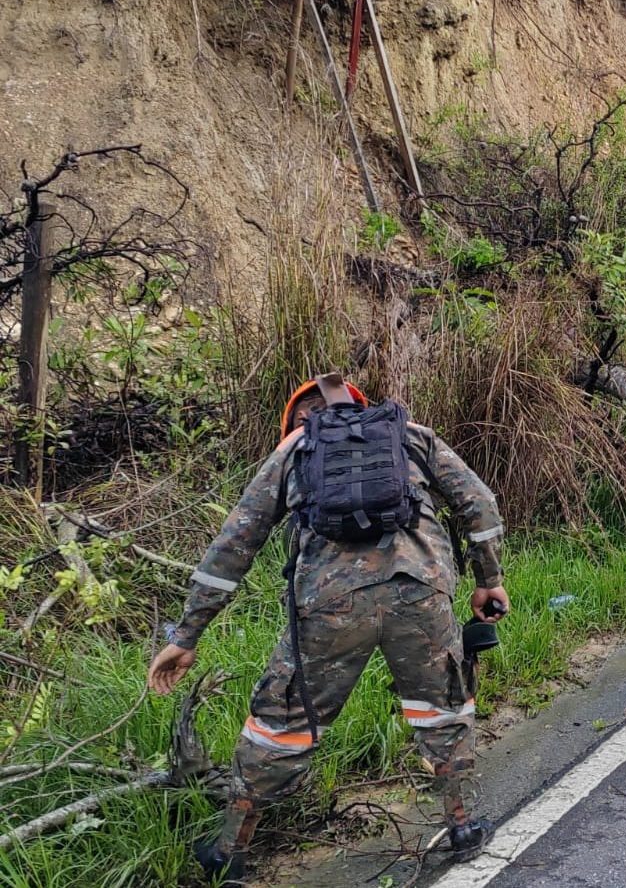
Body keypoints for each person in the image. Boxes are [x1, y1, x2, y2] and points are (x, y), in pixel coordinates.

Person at [146, 375, 508, 880]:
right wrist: (488, 581)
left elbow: (235, 543)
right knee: (443, 708)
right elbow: (480, 505)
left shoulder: (296, 448)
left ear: (298, 419)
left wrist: (186, 636)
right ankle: (462, 827)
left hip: (330, 607)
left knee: (281, 721)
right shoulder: (411, 434)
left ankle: (229, 851)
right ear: (361, 406)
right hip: (420, 594)